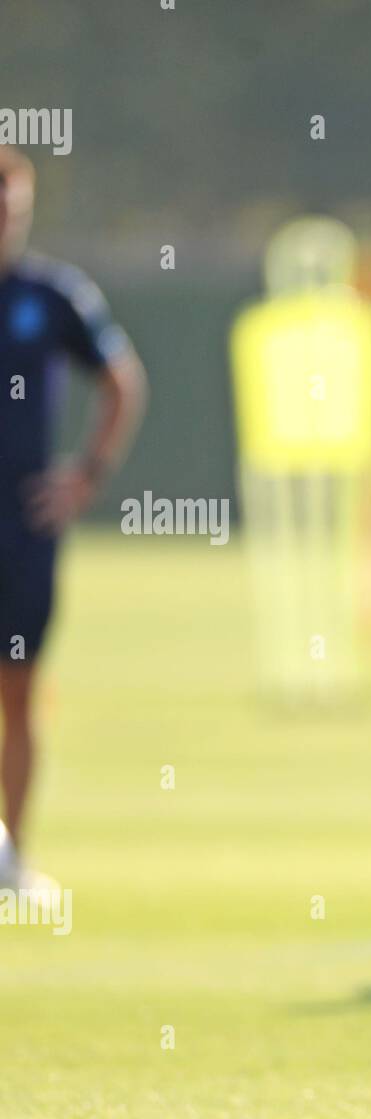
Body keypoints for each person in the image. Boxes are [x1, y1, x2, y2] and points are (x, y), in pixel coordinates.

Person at [0, 146, 147, 887]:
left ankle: (12, 857)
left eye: (13, 212)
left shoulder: (50, 295)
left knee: (18, 689)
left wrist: (84, 475)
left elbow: (121, 378)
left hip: (22, 526)